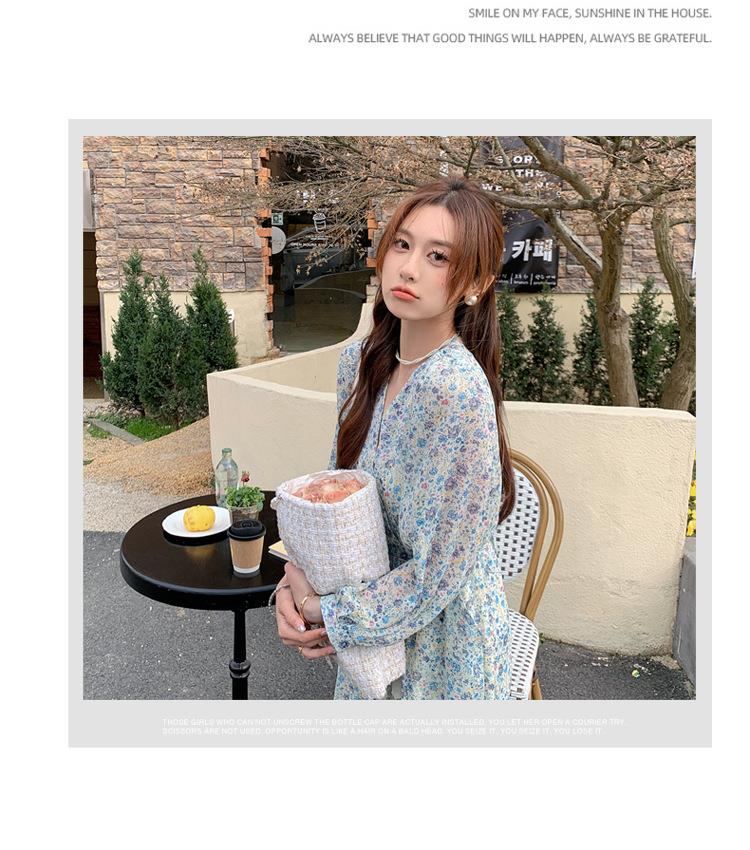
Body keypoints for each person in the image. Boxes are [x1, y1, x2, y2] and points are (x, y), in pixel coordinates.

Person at [274, 177, 516, 699]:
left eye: (438, 257)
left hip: (445, 651)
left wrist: (324, 611)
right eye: (402, 245)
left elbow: (436, 576)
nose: (408, 268)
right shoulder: (360, 365)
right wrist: (292, 584)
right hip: (369, 633)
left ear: (476, 282)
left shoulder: (456, 391)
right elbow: (334, 508)